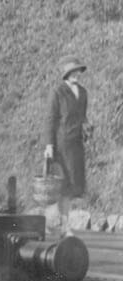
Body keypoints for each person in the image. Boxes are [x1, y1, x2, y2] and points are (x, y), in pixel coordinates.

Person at [44, 55, 91, 234]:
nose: (76, 75)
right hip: (61, 145)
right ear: (66, 74)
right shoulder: (57, 92)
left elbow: (83, 116)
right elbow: (50, 119)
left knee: (72, 187)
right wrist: (49, 145)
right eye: (72, 72)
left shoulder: (83, 92)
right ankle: (63, 225)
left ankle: (60, 223)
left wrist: (87, 126)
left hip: (77, 144)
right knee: (62, 187)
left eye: (77, 71)